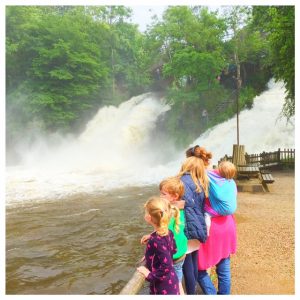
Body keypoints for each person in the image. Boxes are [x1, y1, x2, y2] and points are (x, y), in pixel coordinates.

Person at [186, 145, 237, 295]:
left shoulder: (201, 179)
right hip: (228, 225)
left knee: (199, 268)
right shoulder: (228, 180)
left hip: (211, 228)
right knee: (224, 265)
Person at [177, 154, 209, 294]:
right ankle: (193, 290)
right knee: (194, 263)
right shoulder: (200, 184)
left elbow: (181, 206)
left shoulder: (181, 182)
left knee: (187, 266)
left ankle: (190, 293)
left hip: (187, 228)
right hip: (198, 227)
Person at [137, 196, 180, 295]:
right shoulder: (168, 232)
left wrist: (149, 275)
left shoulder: (155, 240)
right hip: (171, 281)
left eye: (146, 212)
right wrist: (150, 255)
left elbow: (167, 265)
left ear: (149, 217)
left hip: (162, 286)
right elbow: (174, 250)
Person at [205, 161, 237, 236]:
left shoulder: (215, 181)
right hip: (232, 209)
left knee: (206, 214)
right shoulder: (232, 182)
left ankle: (207, 232)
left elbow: (204, 172)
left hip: (221, 211)